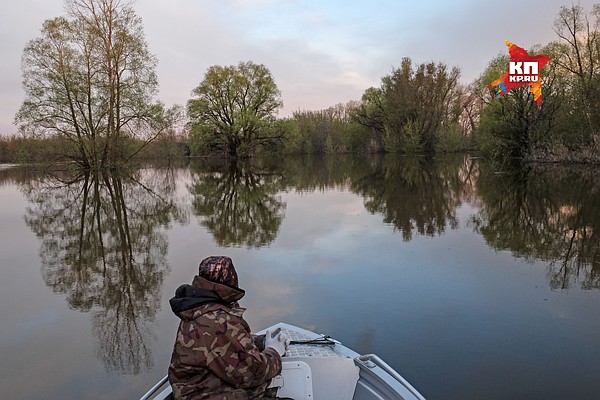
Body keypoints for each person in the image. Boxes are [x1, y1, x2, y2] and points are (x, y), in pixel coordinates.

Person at [168, 256, 290, 400]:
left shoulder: (197, 307)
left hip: (199, 389)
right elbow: (254, 373)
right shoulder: (218, 320)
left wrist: (261, 341)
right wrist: (274, 350)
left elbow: (219, 343)